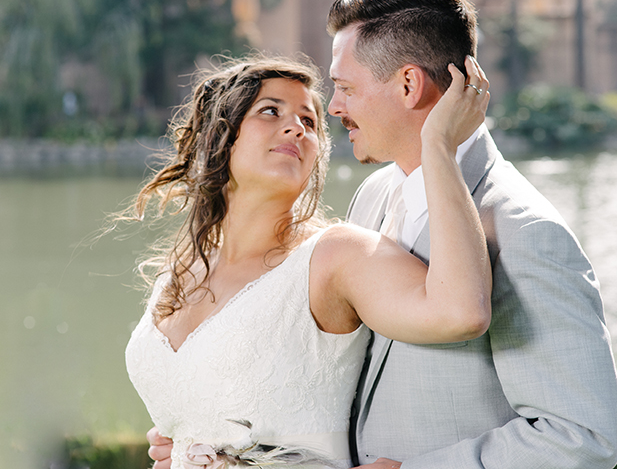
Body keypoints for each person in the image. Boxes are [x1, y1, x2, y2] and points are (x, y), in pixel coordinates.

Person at [125, 53, 491, 469]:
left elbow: (461, 312)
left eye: (310, 121)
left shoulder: (334, 256)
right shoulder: (180, 270)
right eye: (270, 110)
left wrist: (438, 144)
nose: (296, 127)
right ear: (219, 136)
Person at [326, 0, 617, 469]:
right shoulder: (372, 196)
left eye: (345, 88)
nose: (334, 106)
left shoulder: (525, 232)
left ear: (408, 85)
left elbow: (582, 436)